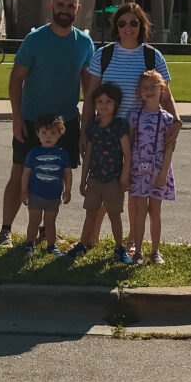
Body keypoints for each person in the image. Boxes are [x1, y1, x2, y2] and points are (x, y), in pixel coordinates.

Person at [0, 0, 94, 248]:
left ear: (78, 9)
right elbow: (15, 80)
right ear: (52, 5)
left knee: (57, 175)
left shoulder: (84, 44)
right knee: (20, 173)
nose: (64, 10)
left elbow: (89, 89)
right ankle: (6, 230)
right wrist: (17, 118)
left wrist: (85, 128)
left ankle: (44, 229)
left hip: (66, 123)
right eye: (60, 4)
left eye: (70, 6)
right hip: (32, 121)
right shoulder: (35, 40)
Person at [79, 2, 181, 244]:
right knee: (108, 186)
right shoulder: (103, 55)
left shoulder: (151, 56)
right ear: (116, 27)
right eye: (122, 23)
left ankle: (134, 243)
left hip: (142, 137)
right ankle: (90, 237)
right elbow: (90, 97)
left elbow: (165, 93)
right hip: (109, 133)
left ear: (141, 26)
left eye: (134, 23)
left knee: (137, 192)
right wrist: (85, 132)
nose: (128, 28)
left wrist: (176, 120)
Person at [66, 81, 133, 264]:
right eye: (100, 101)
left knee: (114, 215)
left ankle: (119, 248)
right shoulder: (92, 127)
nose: (103, 105)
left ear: (116, 104)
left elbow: (127, 153)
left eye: (108, 101)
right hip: (95, 179)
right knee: (90, 213)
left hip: (113, 180)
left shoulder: (119, 125)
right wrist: (83, 179)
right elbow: (88, 155)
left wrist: (124, 176)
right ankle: (82, 244)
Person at [126, 69, 177, 265]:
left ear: (162, 89)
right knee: (139, 209)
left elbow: (169, 147)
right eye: (144, 88)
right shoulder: (133, 116)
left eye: (153, 87)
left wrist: (163, 172)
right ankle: (137, 250)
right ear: (139, 91)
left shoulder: (167, 119)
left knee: (155, 210)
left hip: (158, 170)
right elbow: (129, 145)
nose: (148, 91)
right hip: (138, 169)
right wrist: (128, 169)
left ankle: (155, 251)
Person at [20, 114, 72, 256]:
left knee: (50, 223)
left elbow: (67, 173)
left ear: (60, 134)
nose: (48, 137)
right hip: (35, 194)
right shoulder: (33, 153)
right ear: (37, 134)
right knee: (34, 221)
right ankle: (29, 243)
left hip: (54, 196)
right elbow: (26, 173)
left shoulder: (63, 154)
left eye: (53, 133)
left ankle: (51, 245)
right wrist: (24, 191)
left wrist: (68, 190)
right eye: (44, 133)